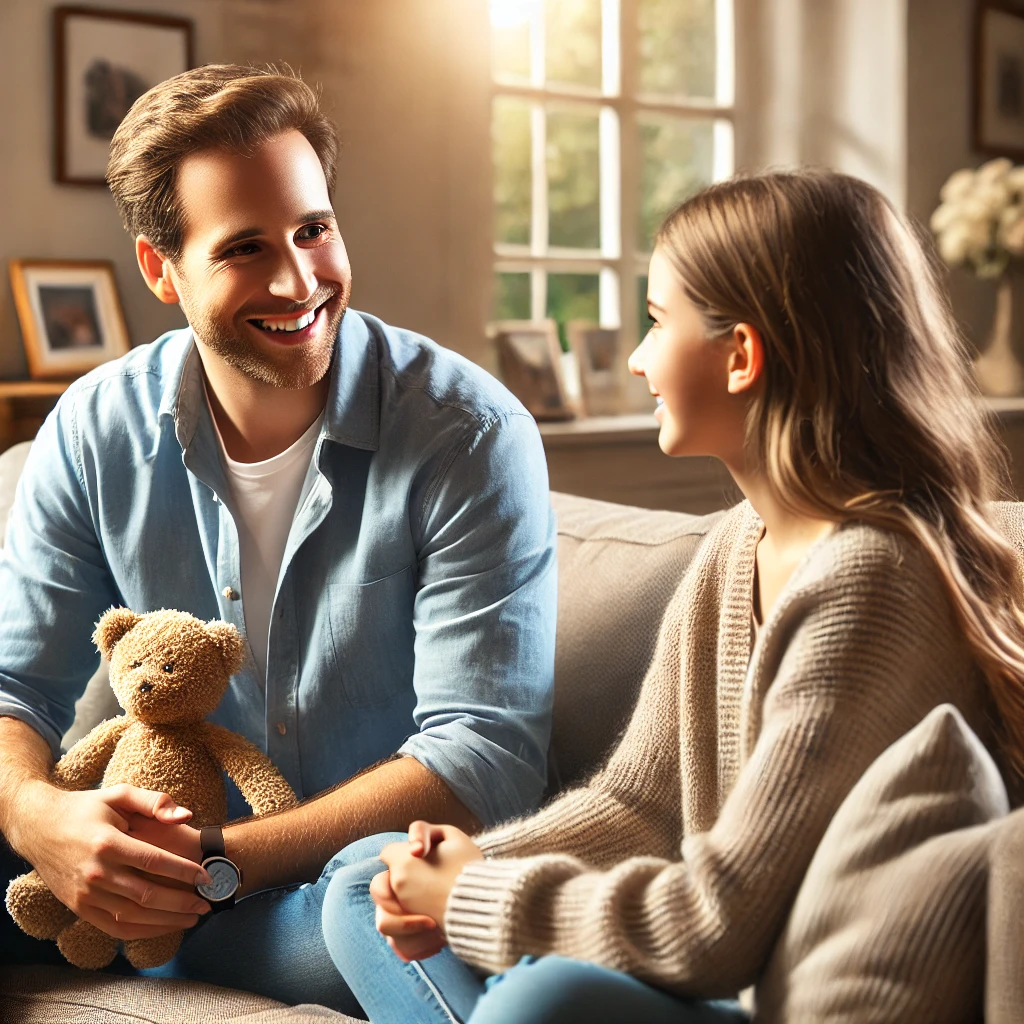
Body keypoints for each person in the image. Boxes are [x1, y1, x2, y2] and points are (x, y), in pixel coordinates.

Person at [320, 169, 1024, 1023]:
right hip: (712, 962)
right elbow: (640, 806)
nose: (636, 359)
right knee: (365, 879)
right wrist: (467, 864)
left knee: (541, 999)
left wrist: (476, 899)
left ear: (740, 356)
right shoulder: (738, 545)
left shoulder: (871, 582)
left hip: (788, 993)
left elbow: (715, 928)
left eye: (657, 324)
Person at [0, 65, 556, 1015]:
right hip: (117, 889)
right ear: (159, 267)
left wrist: (205, 865)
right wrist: (44, 819)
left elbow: (484, 756)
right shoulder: (95, 429)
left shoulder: (469, 433)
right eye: (246, 248)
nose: (299, 280)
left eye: (314, 229)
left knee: (369, 893)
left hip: (318, 900)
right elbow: (15, 687)